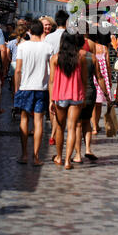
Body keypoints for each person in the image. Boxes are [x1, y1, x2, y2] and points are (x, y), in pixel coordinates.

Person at [14, 19, 53, 166]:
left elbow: (18, 70)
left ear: (30, 32)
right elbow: (52, 74)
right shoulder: (48, 47)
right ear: (42, 31)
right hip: (41, 89)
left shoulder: (23, 47)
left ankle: (24, 155)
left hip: (25, 87)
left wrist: (16, 89)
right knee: (38, 122)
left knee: (24, 120)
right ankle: (36, 157)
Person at [49, 32, 87, 170]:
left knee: (60, 127)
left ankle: (59, 157)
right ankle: (68, 162)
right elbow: (84, 80)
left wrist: (51, 100)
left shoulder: (55, 59)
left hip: (60, 96)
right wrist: (83, 96)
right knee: (72, 128)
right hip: (76, 95)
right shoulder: (80, 58)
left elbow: (51, 81)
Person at [73, 34, 112, 163]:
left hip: (76, 92)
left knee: (77, 124)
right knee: (86, 122)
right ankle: (88, 149)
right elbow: (100, 77)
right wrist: (106, 94)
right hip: (90, 91)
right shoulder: (92, 57)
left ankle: (78, 155)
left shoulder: (72, 57)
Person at [45, 9, 69, 145]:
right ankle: (60, 131)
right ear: (66, 21)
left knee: (53, 105)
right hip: (67, 74)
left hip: (52, 74)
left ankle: (54, 133)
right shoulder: (70, 36)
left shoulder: (48, 38)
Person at [89, 31, 112, 135]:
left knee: (93, 104)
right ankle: (96, 125)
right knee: (98, 104)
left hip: (92, 76)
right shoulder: (104, 48)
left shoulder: (89, 47)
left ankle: (93, 126)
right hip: (102, 77)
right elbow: (108, 66)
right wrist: (110, 80)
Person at [7, 24, 28, 116]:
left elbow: (7, 53)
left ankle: (15, 104)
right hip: (23, 65)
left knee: (13, 87)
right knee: (22, 86)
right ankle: (22, 105)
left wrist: (10, 60)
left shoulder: (11, 42)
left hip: (13, 64)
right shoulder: (27, 43)